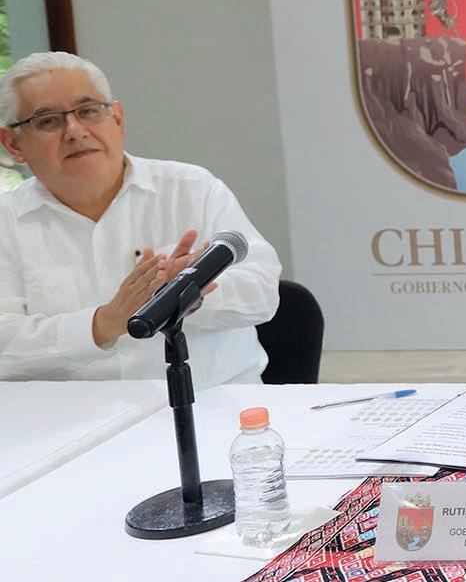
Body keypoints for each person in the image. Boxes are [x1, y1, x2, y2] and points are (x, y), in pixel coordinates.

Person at [0, 52, 282, 386]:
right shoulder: (7, 221)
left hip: (213, 403)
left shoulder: (191, 189)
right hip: (66, 413)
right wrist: (103, 324)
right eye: (47, 121)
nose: (74, 131)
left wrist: (191, 294)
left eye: (88, 111)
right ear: (13, 144)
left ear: (117, 119)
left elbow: (263, 293)